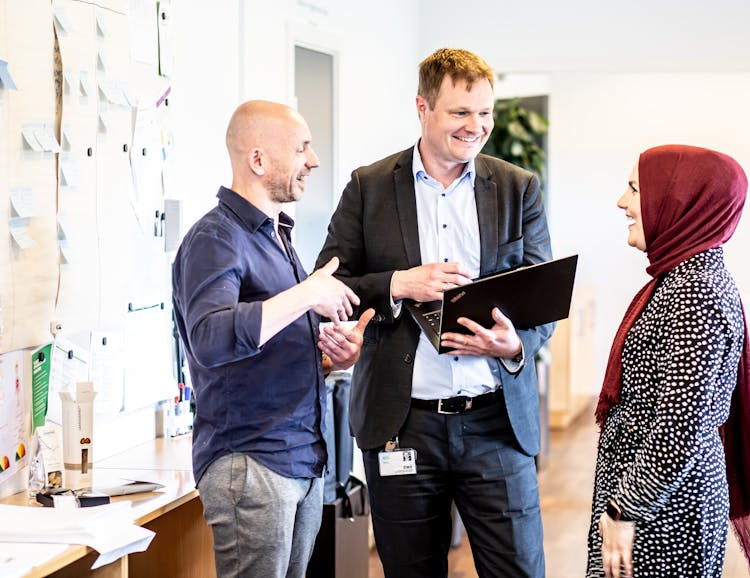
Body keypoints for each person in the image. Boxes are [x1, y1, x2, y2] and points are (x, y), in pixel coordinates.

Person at [316, 48, 553, 577]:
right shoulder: (369, 187)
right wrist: (399, 283)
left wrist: (514, 345)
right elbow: (326, 284)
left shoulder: (519, 189)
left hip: (496, 423)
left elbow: (543, 303)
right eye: (460, 112)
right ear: (422, 107)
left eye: (485, 113)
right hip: (404, 425)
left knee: (519, 569)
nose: (478, 127)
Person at [171, 99, 374, 578]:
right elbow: (211, 336)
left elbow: (264, 344)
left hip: (299, 458)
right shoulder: (215, 239)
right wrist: (307, 294)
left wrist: (329, 358)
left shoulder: (276, 236)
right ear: (258, 160)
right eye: (302, 148)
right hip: (252, 462)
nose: (314, 160)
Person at [587, 144, 750, 578]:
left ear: (679, 201)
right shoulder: (681, 278)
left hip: (667, 511)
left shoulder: (694, 292)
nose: (622, 202)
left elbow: (680, 425)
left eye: (635, 189)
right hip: (657, 503)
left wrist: (624, 510)